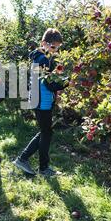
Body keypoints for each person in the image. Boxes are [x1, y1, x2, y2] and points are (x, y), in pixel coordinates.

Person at [13, 28, 68, 177]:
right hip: (41, 101)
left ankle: (26, 160)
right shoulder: (43, 60)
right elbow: (50, 84)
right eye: (53, 47)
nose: (56, 50)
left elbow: (47, 82)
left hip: (40, 100)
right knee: (46, 132)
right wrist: (67, 83)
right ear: (44, 43)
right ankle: (40, 167)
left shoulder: (40, 57)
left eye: (58, 47)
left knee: (46, 132)